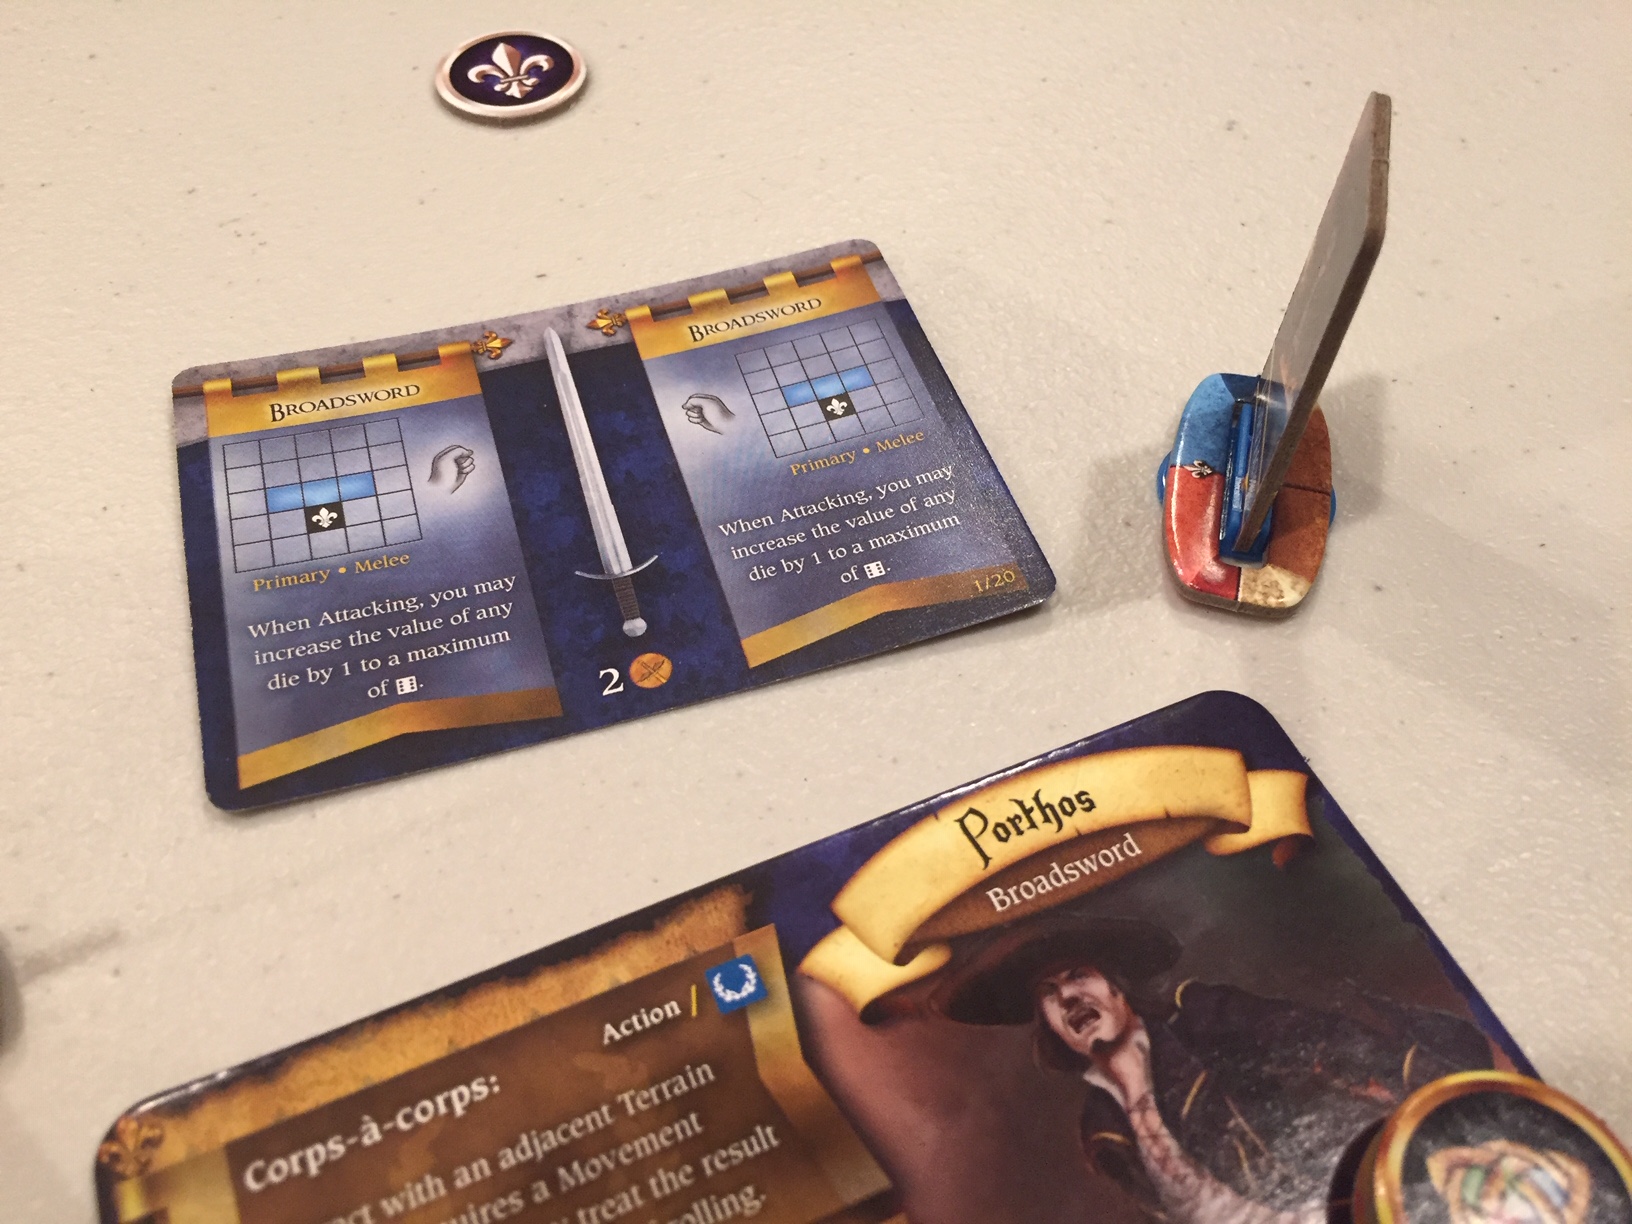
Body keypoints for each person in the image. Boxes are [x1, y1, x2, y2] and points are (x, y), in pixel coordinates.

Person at [933, 916, 1495, 1224]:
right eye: (1050, 994)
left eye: (1080, 976)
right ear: (1049, 1026)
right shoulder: (1100, 1129)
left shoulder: (1203, 1018)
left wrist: (1425, 1084)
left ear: (1117, 987)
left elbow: (1323, 1038)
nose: (1069, 998)